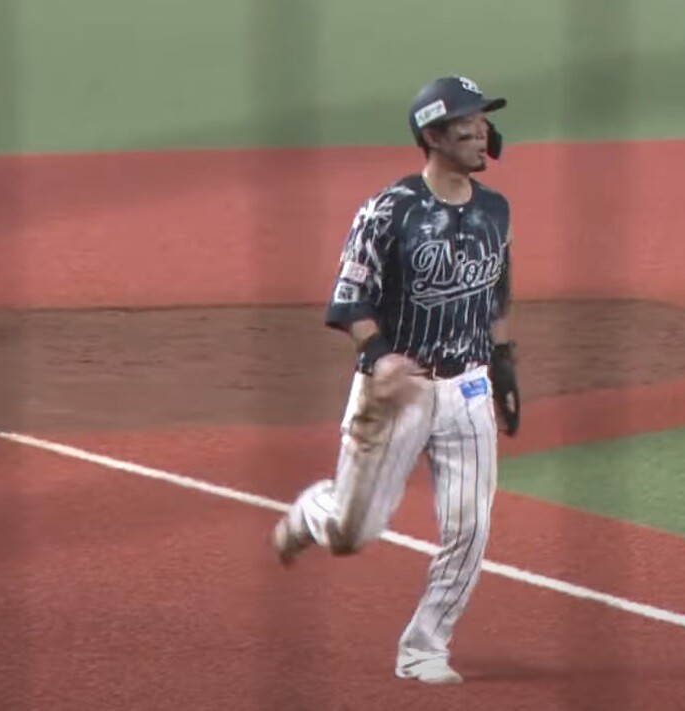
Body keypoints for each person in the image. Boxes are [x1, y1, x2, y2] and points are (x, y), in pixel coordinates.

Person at [270, 74, 521, 685]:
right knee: (352, 533)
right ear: (433, 136)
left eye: (482, 120)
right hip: (394, 394)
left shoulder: (495, 209)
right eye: (466, 123)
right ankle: (315, 512)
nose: (480, 131)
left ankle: (425, 646)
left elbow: (497, 291)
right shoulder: (389, 212)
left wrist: (505, 362)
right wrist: (381, 357)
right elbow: (350, 300)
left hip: (468, 389)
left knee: (471, 526)